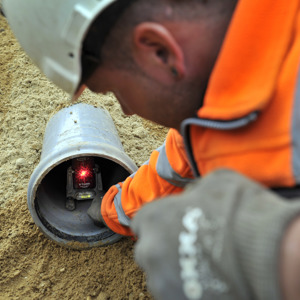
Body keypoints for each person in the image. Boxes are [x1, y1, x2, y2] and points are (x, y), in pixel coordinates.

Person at [3, 0, 300, 299]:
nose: (127, 110)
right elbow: (174, 167)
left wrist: (273, 254)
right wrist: (110, 209)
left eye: (116, 92)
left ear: (158, 50)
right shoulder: (214, 101)